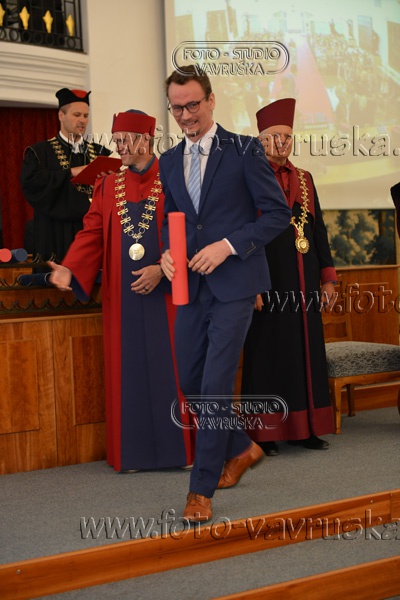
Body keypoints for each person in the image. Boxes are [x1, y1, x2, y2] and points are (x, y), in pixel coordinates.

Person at [160, 66, 292, 522]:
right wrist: (167, 254)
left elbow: (277, 214)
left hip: (236, 285)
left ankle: (201, 490)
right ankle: (241, 446)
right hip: (190, 286)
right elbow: (173, 219)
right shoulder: (167, 160)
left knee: (215, 386)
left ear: (211, 100)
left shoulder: (244, 149)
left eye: (193, 105)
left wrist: (228, 246)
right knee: (190, 382)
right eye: (177, 108)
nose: (185, 115)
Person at [48, 110, 194, 472]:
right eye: (116, 140)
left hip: (167, 293)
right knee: (127, 370)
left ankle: (180, 453)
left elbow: (190, 231)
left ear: (146, 139)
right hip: (122, 296)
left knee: (171, 368)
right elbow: (92, 232)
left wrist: (162, 269)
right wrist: (70, 266)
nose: (119, 147)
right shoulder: (106, 186)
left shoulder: (176, 178)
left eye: (125, 140)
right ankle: (133, 455)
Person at [241, 98, 337, 457]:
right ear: (261, 140)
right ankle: (265, 433)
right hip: (267, 280)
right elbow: (241, 232)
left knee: (305, 352)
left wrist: (327, 278)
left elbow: (318, 231)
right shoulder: (247, 176)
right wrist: (249, 283)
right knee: (267, 353)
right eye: (275, 137)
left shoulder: (305, 179)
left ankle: (304, 429)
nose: (282, 143)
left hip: (305, 281)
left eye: (287, 137)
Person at [20, 87, 111, 266]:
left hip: (93, 234)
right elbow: (31, 184)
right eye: (77, 115)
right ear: (61, 115)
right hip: (56, 235)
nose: (82, 120)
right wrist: (70, 172)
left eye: (85, 115)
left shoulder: (101, 153)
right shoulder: (39, 153)